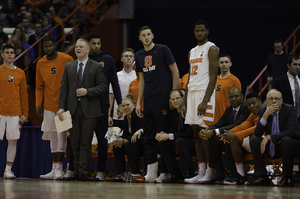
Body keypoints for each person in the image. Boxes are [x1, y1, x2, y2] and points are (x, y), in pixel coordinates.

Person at [135, 26, 179, 182]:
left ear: (153, 35)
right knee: (149, 136)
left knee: (162, 134)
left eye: (149, 34)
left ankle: (166, 171)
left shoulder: (163, 49)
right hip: (149, 98)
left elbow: (175, 71)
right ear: (139, 38)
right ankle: (151, 172)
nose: (146, 37)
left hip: (163, 96)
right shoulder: (139, 55)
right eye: (143, 35)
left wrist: (173, 95)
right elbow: (141, 81)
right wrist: (138, 102)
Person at [58, 38, 106, 181]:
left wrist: (88, 91)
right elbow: (63, 89)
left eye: (81, 46)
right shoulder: (69, 66)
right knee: (74, 142)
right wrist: (61, 108)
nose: (77, 48)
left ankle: (83, 172)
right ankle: (75, 171)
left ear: (87, 50)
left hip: (90, 110)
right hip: (72, 110)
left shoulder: (96, 66)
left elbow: (103, 86)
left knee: (85, 142)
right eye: (76, 46)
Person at [182, 19, 219, 184]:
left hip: (205, 93)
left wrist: (205, 100)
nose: (199, 33)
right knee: (196, 134)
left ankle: (211, 171)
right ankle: (201, 171)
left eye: (202, 30)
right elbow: (190, 76)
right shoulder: (191, 51)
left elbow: (213, 77)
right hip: (192, 93)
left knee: (205, 134)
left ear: (207, 31)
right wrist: (185, 100)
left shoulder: (212, 48)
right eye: (197, 31)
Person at [36, 36, 74, 180]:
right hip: (48, 106)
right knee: (52, 136)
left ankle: (61, 168)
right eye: (45, 47)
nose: (48, 49)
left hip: (64, 106)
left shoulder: (67, 59)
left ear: (55, 45)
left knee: (62, 136)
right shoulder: (40, 63)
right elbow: (39, 87)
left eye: (50, 46)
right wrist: (38, 104)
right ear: (43, 48)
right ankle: (54, 168)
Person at [87, 32, 122, 181]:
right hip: (86, 104)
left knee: (102, 140)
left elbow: (115, 83)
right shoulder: (85, 59)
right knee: (85, 139)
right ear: (89, 44)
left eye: (98, 43)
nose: (96, 46)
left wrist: (119, 103)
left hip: (102, 105)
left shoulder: (107, 60)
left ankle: (100, 171)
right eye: (93, 43)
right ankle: (82, 170)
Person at [247, 89, 300, 187]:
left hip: (286, 146)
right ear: (267, 101)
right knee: (254, 140)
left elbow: (291, 131)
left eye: (276, 99)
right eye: (271, 99)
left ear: (282, 100)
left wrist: (270, 137)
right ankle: (262, 176)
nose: (274, 101)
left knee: (286, 139)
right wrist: (266, 115)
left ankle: (288, 177)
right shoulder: (263, 110)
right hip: (271, 146)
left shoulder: (290, 109)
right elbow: (257, 133)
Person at [198, 87, 251, 184]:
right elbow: (219, 124)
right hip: (231, 140)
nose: (234, 99)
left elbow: (237, 125)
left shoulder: (246, 108)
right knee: (212, 139)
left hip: (243, 142)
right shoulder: (228, 109)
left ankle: (233, 174)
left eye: (236, 96)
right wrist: (207, 130)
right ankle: (219, 172)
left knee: (228, 138)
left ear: (242, 96)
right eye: (231, 97)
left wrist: (213, 131)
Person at [0, 44, 28, 179]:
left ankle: (8, 170)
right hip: (0, 112)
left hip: (15, 113)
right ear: (2, 54)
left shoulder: (20, 73)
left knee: (12, 141)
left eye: (12, 52)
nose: (10, 54)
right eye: (7, 52)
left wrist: (25, 113)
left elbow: (23, 95)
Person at [155, 89, 194, 183]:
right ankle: (176, 174)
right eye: (173, 99)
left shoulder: (190, 111)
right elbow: (172, 130)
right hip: (180, 143)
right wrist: (163, 135)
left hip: (194, 144)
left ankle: (190, 173)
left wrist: (169, 136)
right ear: (170, 101)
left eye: (178, 98)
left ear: (183, 98)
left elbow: (190, 134)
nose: (175, 101)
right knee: (163, 143)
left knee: (180, 141)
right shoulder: (173, 113)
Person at [112, 93, 145, 182]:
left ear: (134, 105)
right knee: (117, 147)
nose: (125, 107)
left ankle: (135, 170)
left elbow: (142, 132)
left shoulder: (138, 114)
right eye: (123, 106)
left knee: (129, 144)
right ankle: (121, 173)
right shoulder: (126, 118)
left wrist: (125, 140)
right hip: (131, 143)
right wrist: (119, 140)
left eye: (128, 105)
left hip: (142, 144)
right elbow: (125, 134)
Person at [109, 48, 136, 129]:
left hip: (134, 114)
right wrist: (108, 115)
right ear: (121, 59)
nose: (128, 58)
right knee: (116, 139)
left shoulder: (138, 76)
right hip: (118, 115)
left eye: (131, 56)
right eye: (126, 56)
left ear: (134, 59)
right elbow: (111, 96)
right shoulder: (116, 76)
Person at [211, 54, 241, 124]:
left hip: (227, 116)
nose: (224, 64)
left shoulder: (235, 80)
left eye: (226, 62)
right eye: (221, 62)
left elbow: (238, 101)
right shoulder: (214, 80)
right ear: (218, 64)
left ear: (230, 64)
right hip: (214, 116)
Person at [273, 55, 300, 122]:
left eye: (299, 65)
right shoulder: (279, 82)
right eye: (295, 64)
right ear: (288, 65)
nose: (298, 67)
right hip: (286, 119)